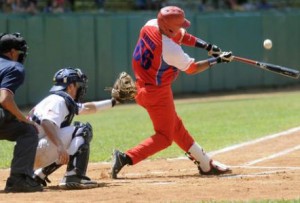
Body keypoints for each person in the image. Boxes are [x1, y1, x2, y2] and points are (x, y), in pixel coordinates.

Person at [111, 6, 234, 179]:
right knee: (164, 137)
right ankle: (126, 158)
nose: (181, 28)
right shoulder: (169, 49)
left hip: (141, 86)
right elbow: (192, 68)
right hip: (157, 94)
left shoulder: (151, 24)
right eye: (178, 25)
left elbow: (181, 35)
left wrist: (207, 46)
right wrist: (217, 60)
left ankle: (206, 165)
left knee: (175, 127)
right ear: (169, 27)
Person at [30, 67, 117, 189]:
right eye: (77, 85)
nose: (80, 88)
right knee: (83, 130)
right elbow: (46, 122)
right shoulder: (59, 101)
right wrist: (60, 145)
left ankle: (39, 174)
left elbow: (87, 108)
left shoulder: (54, 99)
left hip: (27, 154)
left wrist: (114, 101)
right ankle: (74, 176)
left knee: (72, 136)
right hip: (37, 150)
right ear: (70, 86)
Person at [0, 33, 43, 192]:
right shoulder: (14, 67)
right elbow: (5, 99)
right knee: (28, 129)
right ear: (12, 52)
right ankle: (18, 179)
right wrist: (23, 118)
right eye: (19, 52)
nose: (21, 56)